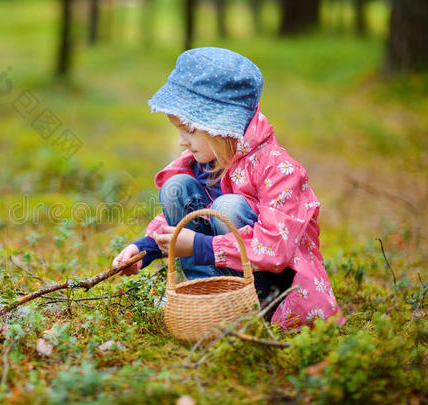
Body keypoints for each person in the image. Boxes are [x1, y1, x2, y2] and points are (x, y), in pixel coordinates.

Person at [112, 47, 342, 330]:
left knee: (227, 207)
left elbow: (274, 248)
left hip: (272, 285)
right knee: (177, 188)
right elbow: (188, 219)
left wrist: (199, 246)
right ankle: (208, 295)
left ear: (220, 125)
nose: (182, 141)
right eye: (178, 130)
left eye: (189, 129)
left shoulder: (278, 170)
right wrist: (145, 248)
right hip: (222, 266)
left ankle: (257, 309)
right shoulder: (207, 160)